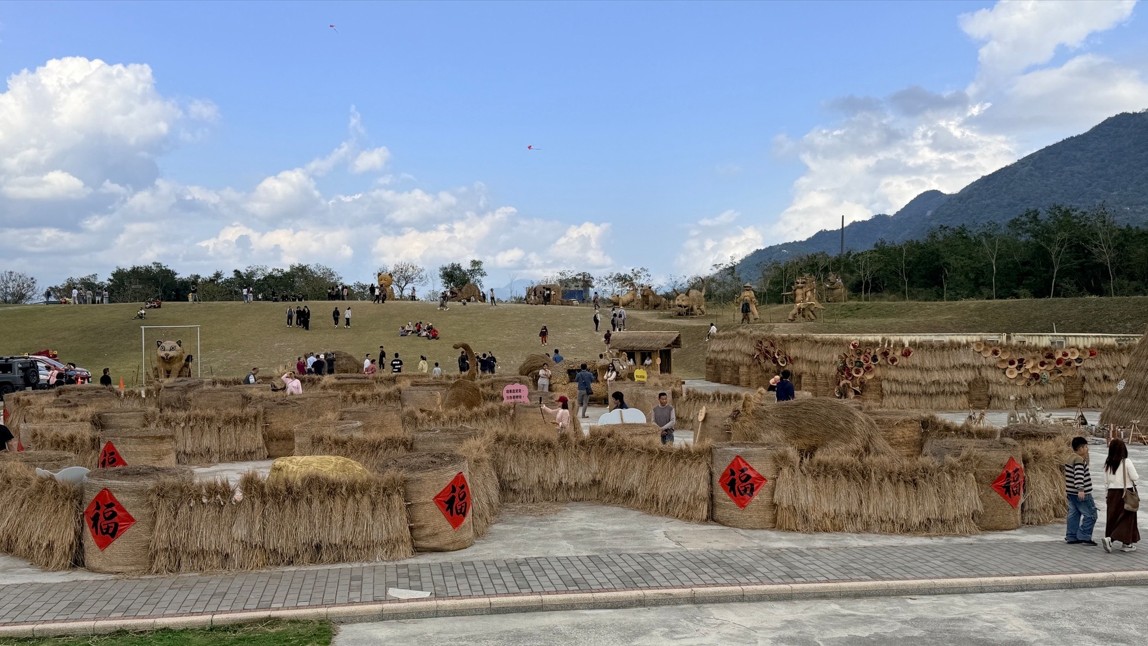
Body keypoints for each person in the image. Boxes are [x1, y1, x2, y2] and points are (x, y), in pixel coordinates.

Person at [1102, 438, 1140, 553]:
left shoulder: (1107, 463)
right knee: (1127, 518)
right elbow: (1135, 477)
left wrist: (1106, 495)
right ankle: (1119, 542)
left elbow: (1106, 481)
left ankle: (1111, 538)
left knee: (1112, 517)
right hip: (1125, 493)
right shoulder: (1126, 462)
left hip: (1111, 493)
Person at [1065, 436, 1098, 546]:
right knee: (1091, 514)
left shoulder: (1070, 458)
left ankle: (1072, 536)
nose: (1087, 449)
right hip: (1080, 492)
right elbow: (1079, 475)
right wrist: (1081, 489)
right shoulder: (1078, 459)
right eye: (1085, 447)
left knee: (1074, 514)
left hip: (1070, 492)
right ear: (1081, 448)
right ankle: (1084, 535)